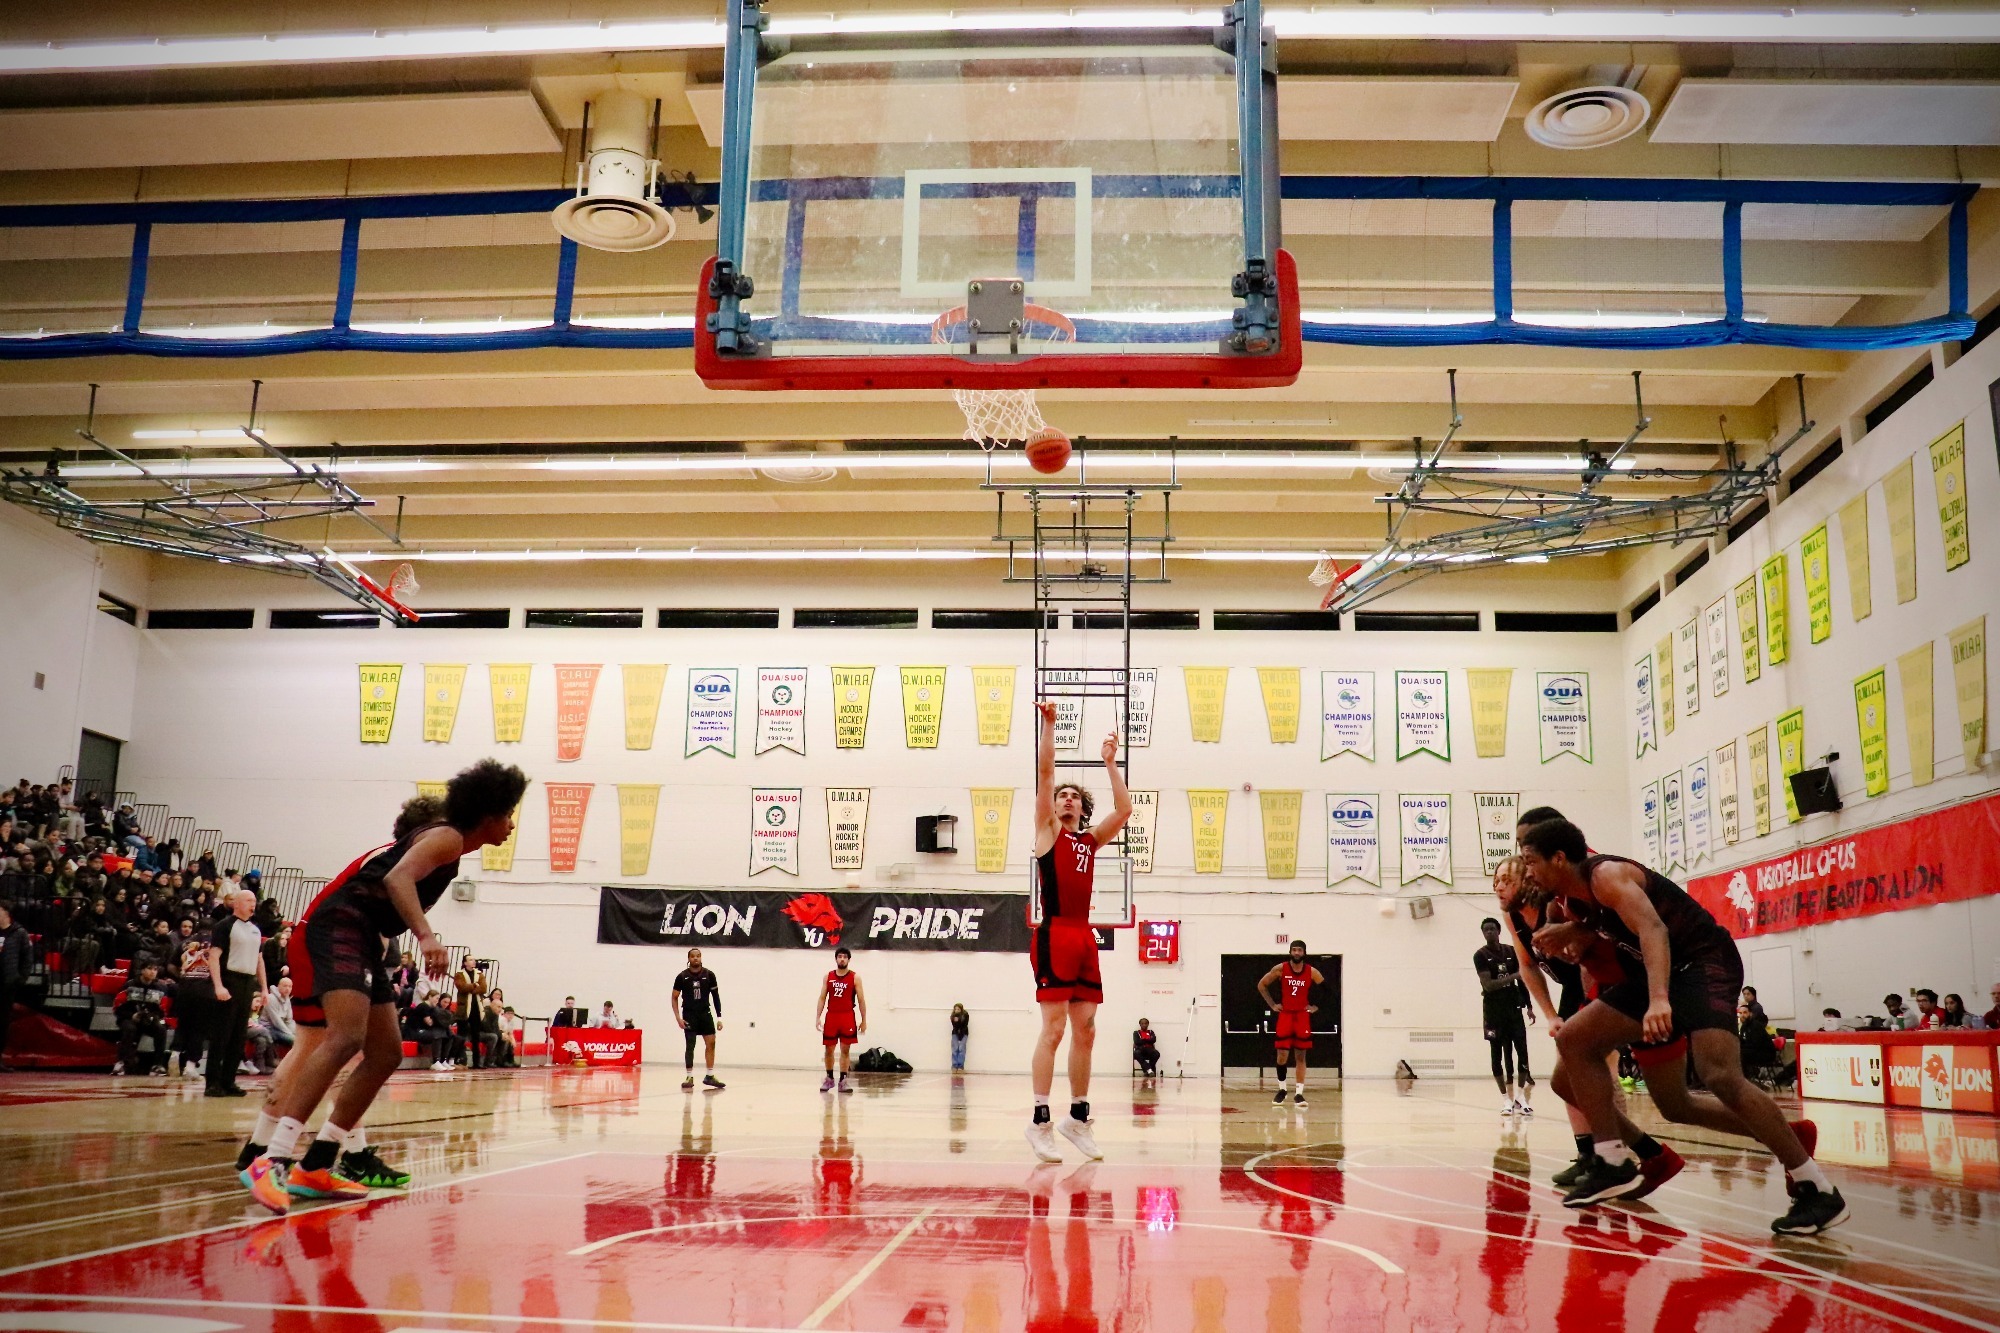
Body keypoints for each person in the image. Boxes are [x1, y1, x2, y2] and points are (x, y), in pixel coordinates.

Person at [1517, 817, 1844, 1234]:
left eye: (1530, 861)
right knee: (1576, 1039)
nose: (1527, 871)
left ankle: (1814, 1187)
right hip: (1656, 973)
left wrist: (1657, 1000)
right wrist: (1575, 930)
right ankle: (1613, 1160)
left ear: (1559, 858)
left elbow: (1654, 928)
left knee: (1720, 1075)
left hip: (1702, 961)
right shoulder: (1572, 899)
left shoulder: (1607, 874)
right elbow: (1605, 926)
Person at [241, 759, 526, 1214]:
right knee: (343, 1039)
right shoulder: (449, 836)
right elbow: (397, 878)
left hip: (363, 934)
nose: (512, 824)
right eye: (508, 813)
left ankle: (317, 1163)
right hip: (342, 924)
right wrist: (428, 936)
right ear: (488, 813)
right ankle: (271, 1159)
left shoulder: (450, 842)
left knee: (387, 1051)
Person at [1024, 703, 1132, 1164]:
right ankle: (1039, 1121)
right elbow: (1046, 772)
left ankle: (1078, 1118)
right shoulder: (1048, 832)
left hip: (1084, 937)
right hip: (1054, 933)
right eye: (1062, 795)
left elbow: (1125, 809)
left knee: (1085, 1030)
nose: (1066, 798)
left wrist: (1110, 764)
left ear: (1082, 808)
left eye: (1073, 796)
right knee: (1053, 1031)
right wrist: (1049, 725)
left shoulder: (1089, 841)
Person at [205, 888, 267, 1098]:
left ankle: (228, 1081)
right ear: (237, 903)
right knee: (222, 1035)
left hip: (247, 983)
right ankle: (212, 1083)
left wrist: (264, 988)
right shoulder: (224, 926)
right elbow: (214, 957)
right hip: (229, 980)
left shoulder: (255, 930)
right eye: (249, 900)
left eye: (254, 901)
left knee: (238, 1036)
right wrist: (218, 986)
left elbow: (259, 960)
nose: (253, 904)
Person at [1472, 918, 1534, 1116]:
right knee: (1496, 1054)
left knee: (1522, 1051)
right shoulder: (1480, 955)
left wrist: (1529, 1005)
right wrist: (1515, 976)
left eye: (1492, 929)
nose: (1489, 932)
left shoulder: (1510, 951)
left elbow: (1524, 981)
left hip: (1513, 1007)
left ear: (1498, 931)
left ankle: (1521, 1096)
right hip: (1493, 1010)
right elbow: (1488, 985)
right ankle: (1505, 1099)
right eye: (1485, 930)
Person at [1257, 939, 1323, 1107]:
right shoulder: (1280, 969)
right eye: (1294, 950)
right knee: (1282, 1055)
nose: (1296, 953)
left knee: (1301, 1056)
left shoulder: (1311, 971)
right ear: (1290, 952)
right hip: (1285, 1015)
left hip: (1302, 1016)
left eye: (1299, 950)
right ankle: (1282, 1089)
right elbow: (1262, 985)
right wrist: (1272, 1005)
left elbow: (1327, 991)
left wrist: (1316, 1006)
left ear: (1304, 953)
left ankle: (1299, 1094)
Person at [672, 948, 725, 1091]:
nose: (696, 958)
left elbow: (716, 997)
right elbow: (674, 997)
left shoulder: (709, 975)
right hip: (689, 1015)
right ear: (688, 959)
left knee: (711, 1043)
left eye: (698, 956)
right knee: (690, 1045)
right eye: (693, 956)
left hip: (705, 1013)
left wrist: (719, 1017)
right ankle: (689, 1076)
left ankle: (710, 1075)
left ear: (701, 958)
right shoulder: (682, 977)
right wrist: (678, 1018)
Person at [815, 947, 867, 1092]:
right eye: (840, 956)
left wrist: (864, 1020)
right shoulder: (828, 976)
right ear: (836, 959)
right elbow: (822, 998)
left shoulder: (855, 977)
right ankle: (829, 1078)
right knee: (828, 1049)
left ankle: (843, 1080)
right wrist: (818, 1017)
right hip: (832, 1016)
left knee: (845, 1050)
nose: (842, 959)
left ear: (849, 960)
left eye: (845, 957)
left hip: (847, 1016)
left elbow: (862, 1000)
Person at [114, 961, 175, 1076]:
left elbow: (163, 1010)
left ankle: (158, 1065)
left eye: (155, 969)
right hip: (129, 1017)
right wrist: (131, 1016)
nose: (153, 972)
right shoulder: (129, 985)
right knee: (129, 1028)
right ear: (142, 971)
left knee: (161, 1029)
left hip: (149, 1019)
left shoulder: (161, 988)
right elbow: (117, 1007)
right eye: (150, 968)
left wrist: (154, 1016)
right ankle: (121, 1063)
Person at [0, 902, 29, 1071]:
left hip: (7, 986)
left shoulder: (19, 934)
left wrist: (20, 979)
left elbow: (27, 959)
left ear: (6, 913)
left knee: (2, 1023)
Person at [454, 958, 490, 1066]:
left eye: (473, 960)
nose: (473, 962)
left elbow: (483, 988)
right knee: (461, 1035)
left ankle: (477, 1062)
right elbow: (461, 987)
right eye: (470, 960)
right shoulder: (459, 974)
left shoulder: (480, 974)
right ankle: (459, 1059)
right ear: (465, 963)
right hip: (464, 1009)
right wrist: (475, 985)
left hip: (476, 1009)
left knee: (476, 1036)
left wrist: (471, 988)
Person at [950, 1003, 970, 1072]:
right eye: (955, 1009)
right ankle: (954, 1066)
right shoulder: (953, 1016)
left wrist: (961, 1035)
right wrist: (956, 1021)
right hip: (955, 1033)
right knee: (955, 1049)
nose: (956, 1010)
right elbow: (955, 1026)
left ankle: (960, 1066)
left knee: (961, 1049)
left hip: (964, 1033)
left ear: (961, 1009)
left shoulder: (965, 1015)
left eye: (958, 1009)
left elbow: (965, 1025)